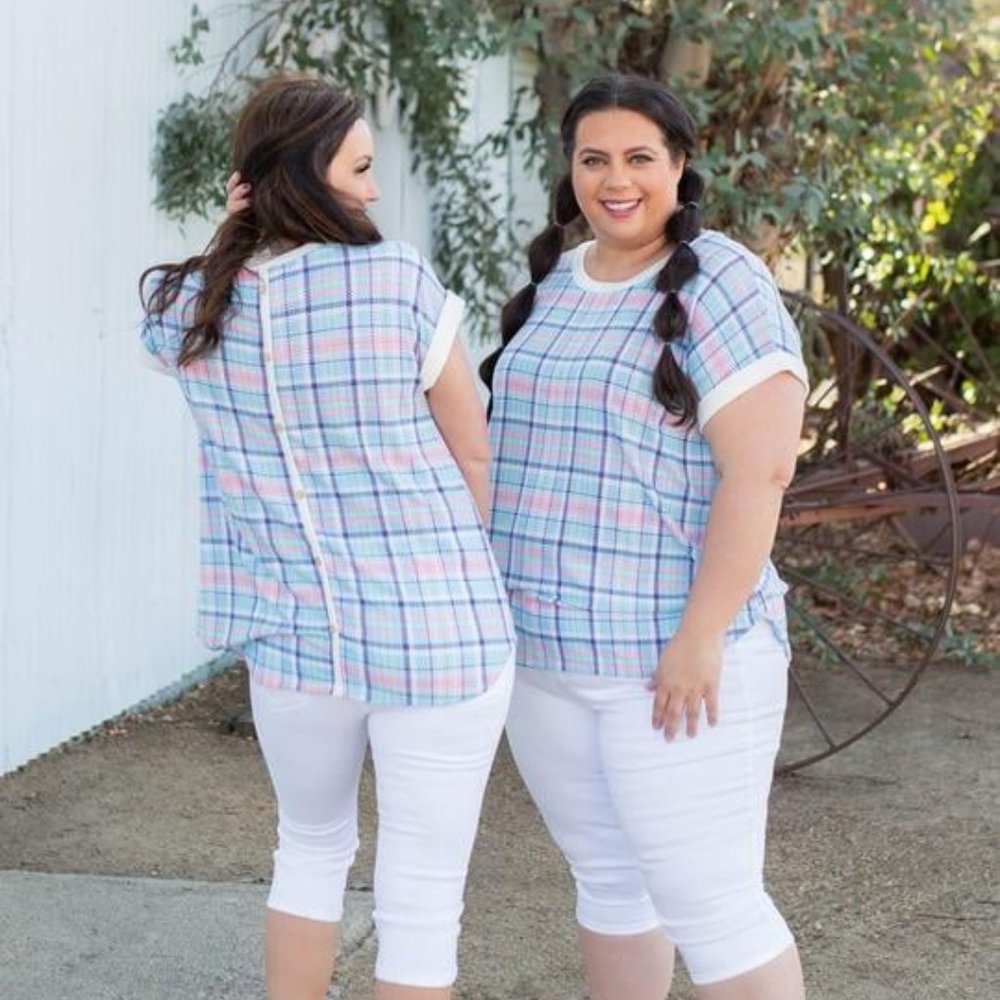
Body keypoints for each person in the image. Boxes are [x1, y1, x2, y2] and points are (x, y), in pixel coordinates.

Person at [140, 76, 515, 1000]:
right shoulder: (395, 281)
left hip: (294, 644)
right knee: (423, 894)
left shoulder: (187, 306)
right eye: (358, 168)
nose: (373, 190)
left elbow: (197, 302)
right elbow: (474, 450)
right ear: (308, 173)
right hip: (436, 632)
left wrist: (239, 227)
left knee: (307, 852)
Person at [480, 74, 809, 999]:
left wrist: (701, 636)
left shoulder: (724, 280)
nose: (615, 180)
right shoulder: (556, 281)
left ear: (679, 165)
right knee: (610, 888)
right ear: (571, 169)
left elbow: (760, 473)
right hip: (545, 658)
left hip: (672, 663)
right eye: (594, 159)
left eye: (638, 158)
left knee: (713, 906)